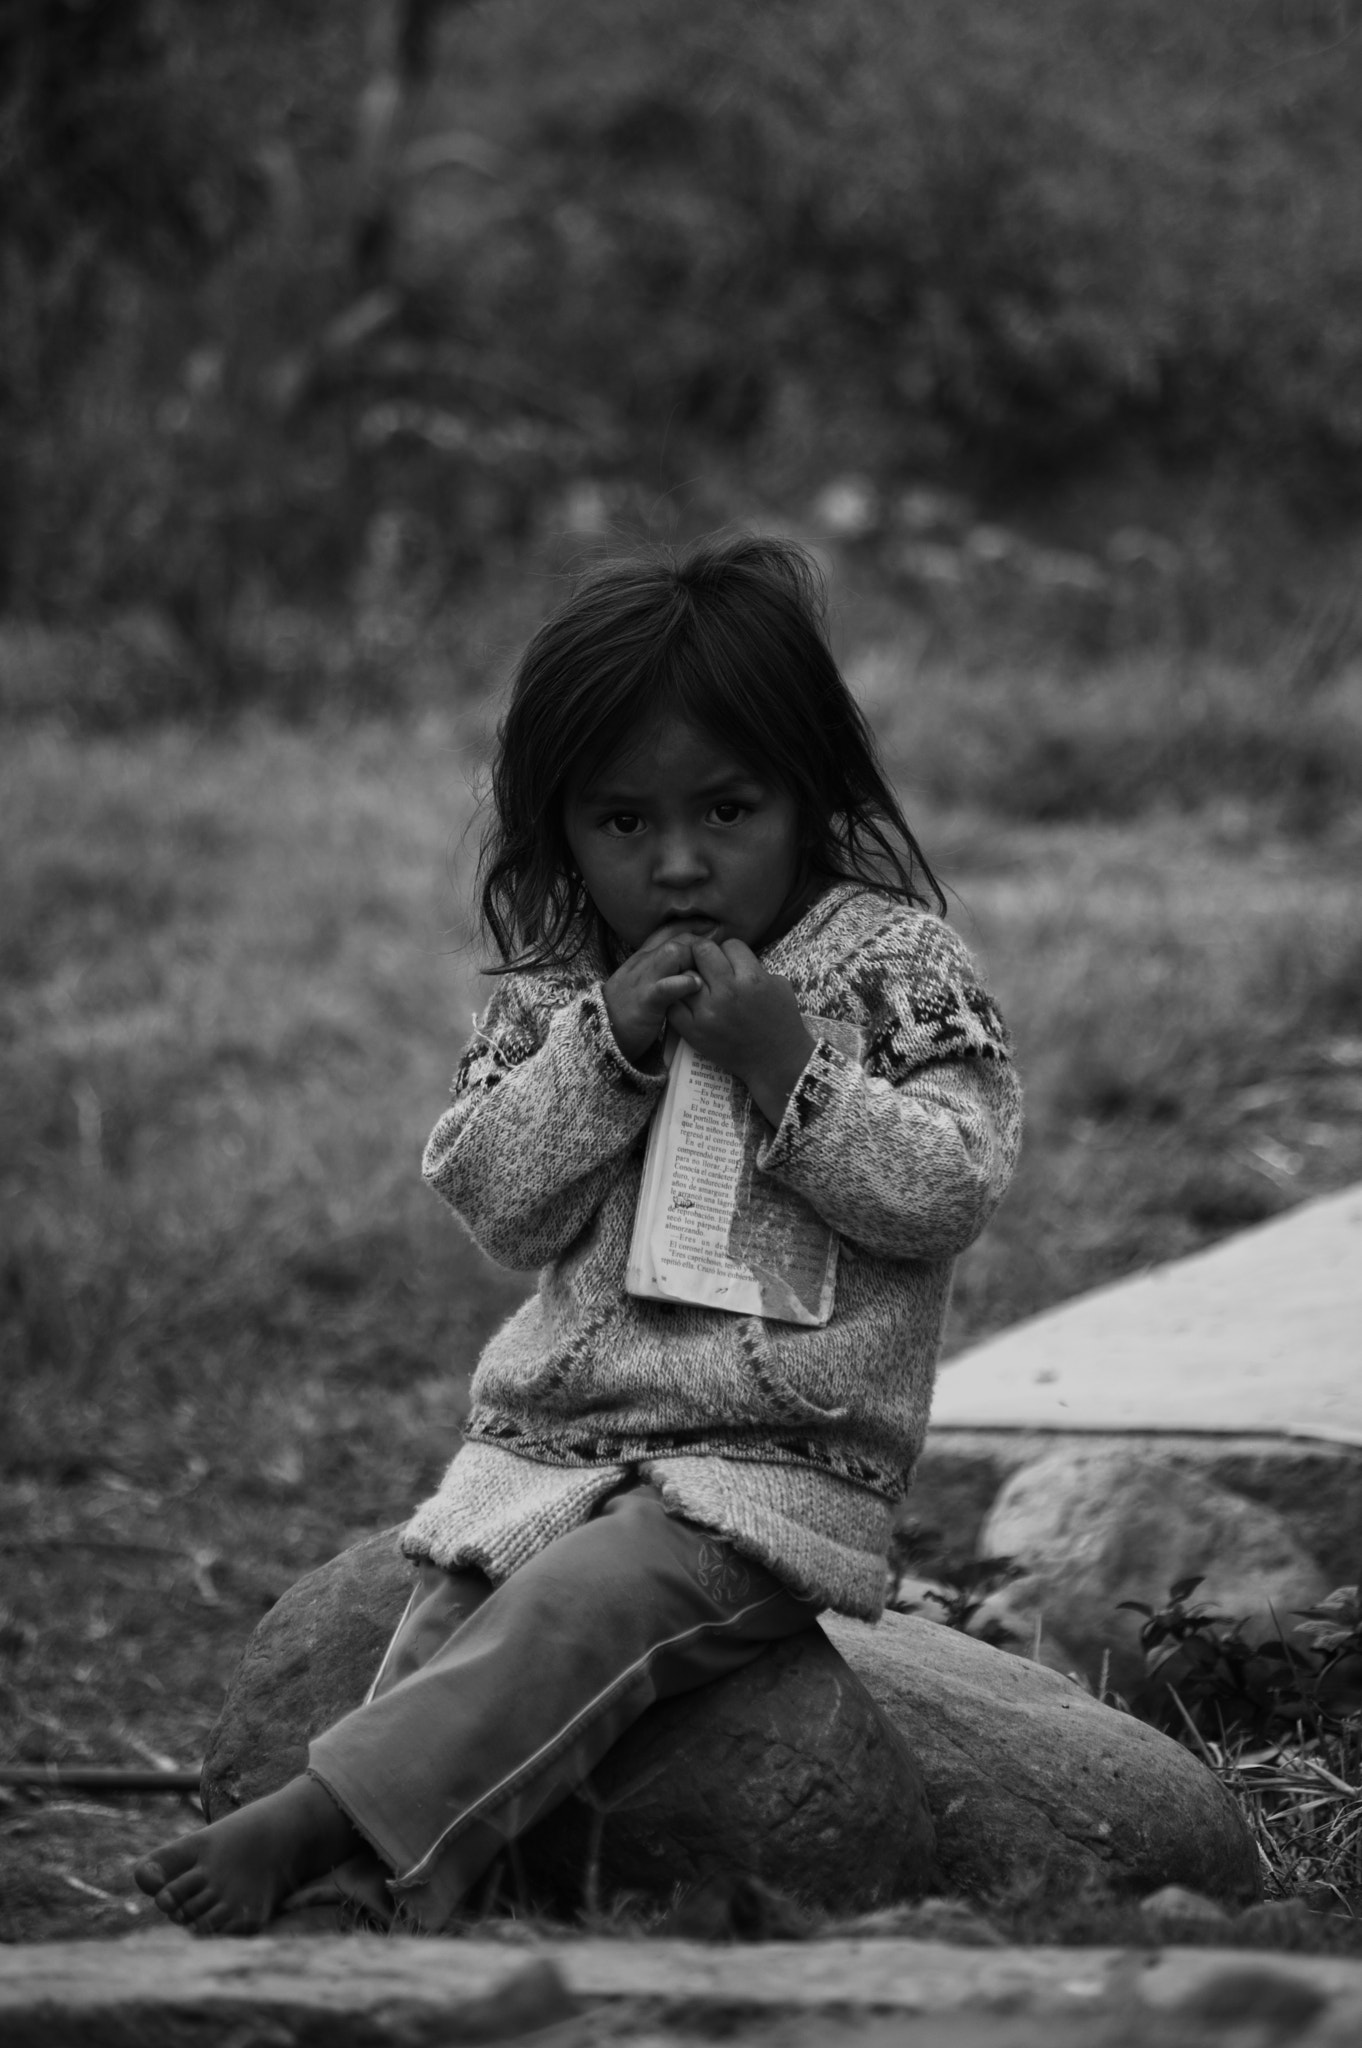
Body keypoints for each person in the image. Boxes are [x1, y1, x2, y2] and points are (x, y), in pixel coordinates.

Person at [134, 534, 1022, 1934]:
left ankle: (321, 1817)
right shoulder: (558, 989)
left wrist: (789, 1066)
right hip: (549, 1449)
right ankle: (380, 1902)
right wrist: (602, 1050)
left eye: (726, 812)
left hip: (768, 1473)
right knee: (449, 1611)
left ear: (809, 797)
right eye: (623, 827)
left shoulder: (894, 969)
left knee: (590, 1604)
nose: (677, 866)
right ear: (562, 832)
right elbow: (495, 1200)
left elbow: (948, 1187)